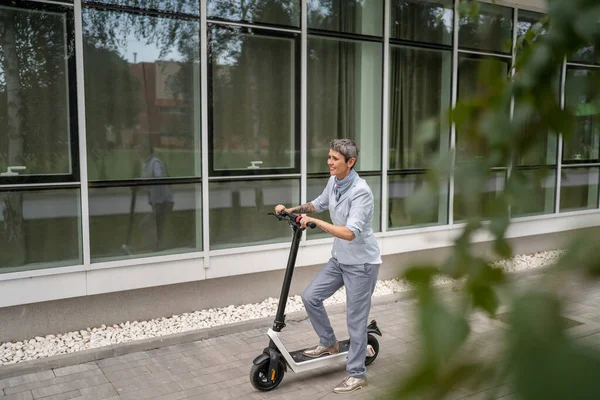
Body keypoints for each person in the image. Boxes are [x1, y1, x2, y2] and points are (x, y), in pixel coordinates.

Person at [275, 138, 381, 394]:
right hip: (340, 260)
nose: (329, 162)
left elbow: (349, 233)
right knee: (310, 297)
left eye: (335, 159)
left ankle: (357, 375)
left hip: (362, 265)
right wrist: (290, 209)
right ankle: (329, 343)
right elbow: (318, 204)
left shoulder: (361, 193)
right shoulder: (335, 182)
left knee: (355, 321)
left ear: (350, 162)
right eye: (329, 157)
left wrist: (315, 223)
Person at [137, 143, 174, 251]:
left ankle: (154, 247)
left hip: (163, 202)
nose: (138, 150)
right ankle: (157, 247)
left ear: (147, 150)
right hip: (156, 203)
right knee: (158, 227)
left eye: (140, 148)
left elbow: (159, 179)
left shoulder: (155, 163)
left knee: (145, 225)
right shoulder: (145, 164)